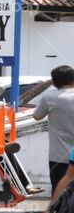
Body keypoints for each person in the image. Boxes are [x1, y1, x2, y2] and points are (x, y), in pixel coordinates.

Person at [32, 65, 74, 194]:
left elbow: (37, 116)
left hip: (58, 156)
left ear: (55, 82)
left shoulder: (49, 97)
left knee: (59, 192)